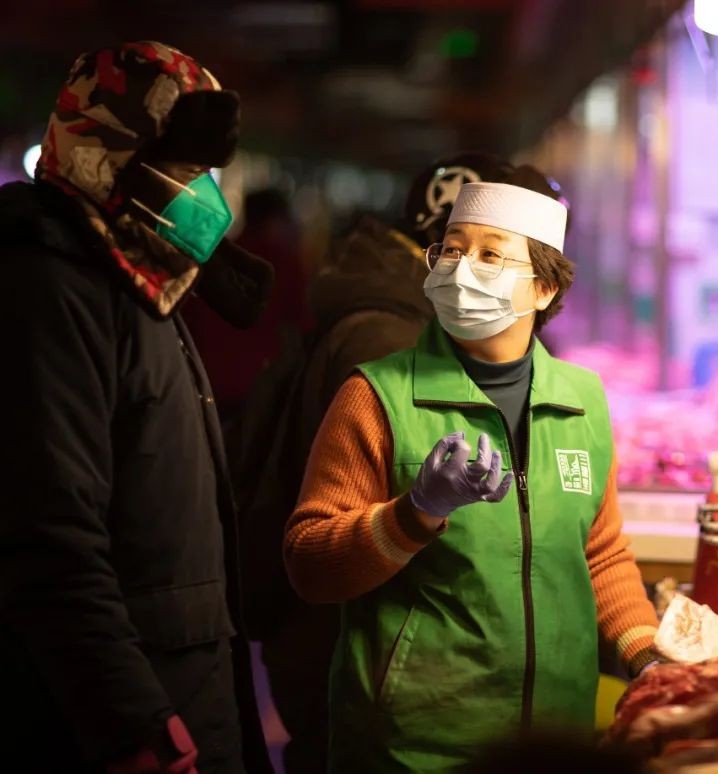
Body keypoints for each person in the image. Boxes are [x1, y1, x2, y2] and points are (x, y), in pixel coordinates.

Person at [284, 179, 659, 772]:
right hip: (415, 746)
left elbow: (601, 554)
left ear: (543, 287)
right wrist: (415, 512)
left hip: (552, 744)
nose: (462, 268)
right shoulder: (376, 395)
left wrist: (647, 657)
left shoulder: (582, 400)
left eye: (490, 253)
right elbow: (308, 564)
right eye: (452, 249)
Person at [0, 42, 274, 773]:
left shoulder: (136, 268)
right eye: (184, 169)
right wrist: (132, 724)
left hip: (186, 687)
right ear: (111, 150)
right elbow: (49, 535)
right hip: (135, 724)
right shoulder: (50, 290)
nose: (200, 192)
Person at [251, 153, 559, 774]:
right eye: (473, 250)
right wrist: (421, 510)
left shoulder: (568, 391)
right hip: (356, 664)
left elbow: (598, 552)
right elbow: (321, 542)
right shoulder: (389, 347)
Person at [184, 187, 311, 424]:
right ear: (275, 221)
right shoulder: (282, 265)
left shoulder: (217, 260)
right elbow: (303, 325)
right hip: (257, 389)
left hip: (206, 384)